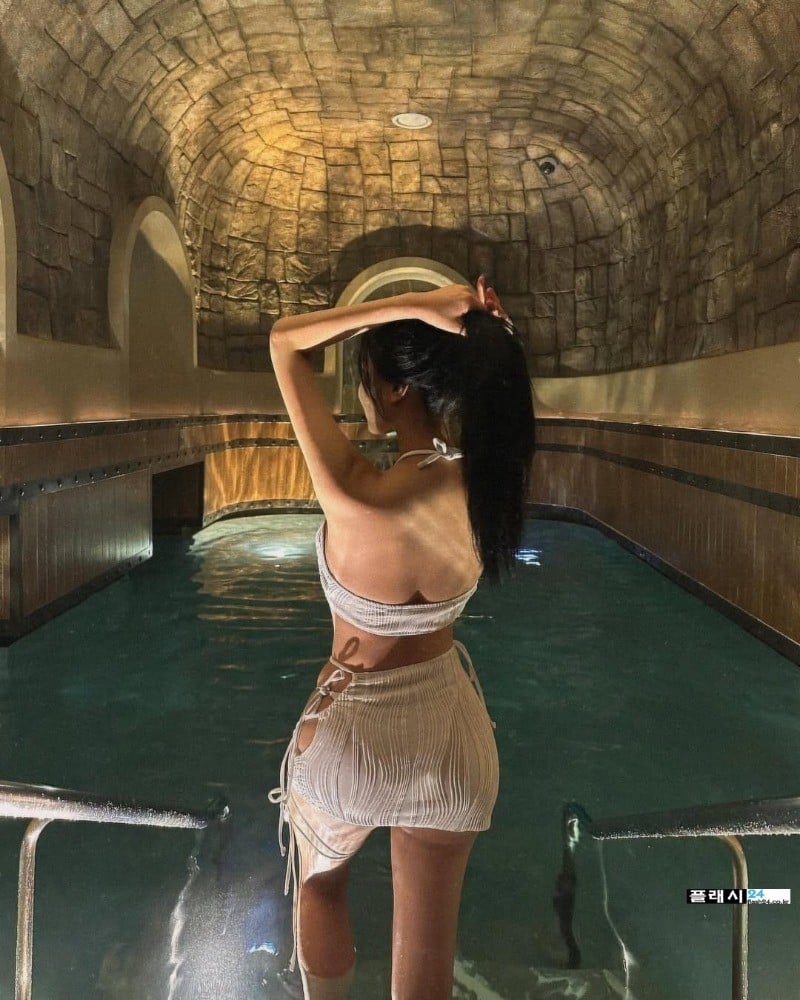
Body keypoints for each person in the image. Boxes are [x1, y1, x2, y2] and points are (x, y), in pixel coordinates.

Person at [267, 277, 535, 1000]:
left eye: (366, 378)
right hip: (451, 741)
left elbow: (285, 342)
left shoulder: (354, 491)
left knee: (320, 888)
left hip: (351, 737)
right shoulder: (490, 486)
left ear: (393, 390)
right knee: (428, 953)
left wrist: (405, 306)